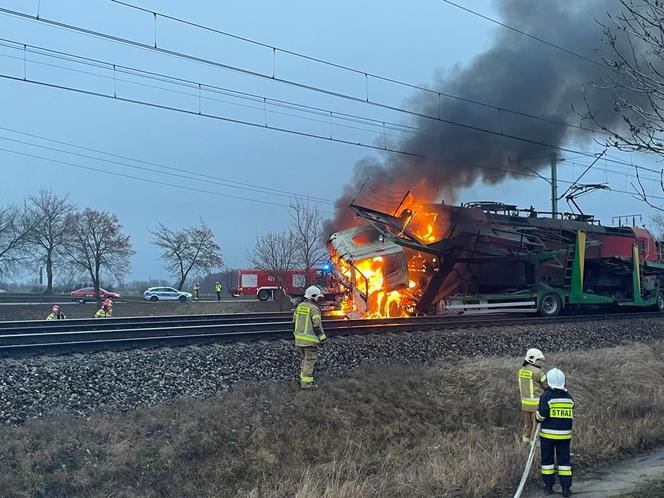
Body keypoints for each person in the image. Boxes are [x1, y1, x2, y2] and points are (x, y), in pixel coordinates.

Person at [536, 368, 574, 497]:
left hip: (547, 436)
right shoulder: (569, 398)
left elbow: (541, 415)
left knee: (547, 462)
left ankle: (548, 486)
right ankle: (566, 488)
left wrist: (537, 415)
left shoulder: (546, 396)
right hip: (565, 436)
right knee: (564, 463)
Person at [293, 285, 327, 389]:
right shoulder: (314, 309)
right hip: (310, 342)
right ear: (313, 296)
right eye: (318, 297)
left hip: (299, 340)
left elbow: (294, 322)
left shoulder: (300, 306)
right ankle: (306, 384)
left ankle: (302, 379)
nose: (319, 299)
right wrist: (323, 339)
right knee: (310, 361)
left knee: (305, 360)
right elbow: (317, 326)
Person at [517, 348, 547, 443]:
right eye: (538, 360)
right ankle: (535, 444)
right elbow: (547, 385)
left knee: (527, 425)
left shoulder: (521, 370)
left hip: (525, 405)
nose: (540, 362)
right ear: (532, 359)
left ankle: (525, 441)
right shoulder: (538, 372)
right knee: (536, 425)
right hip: (536, 404)